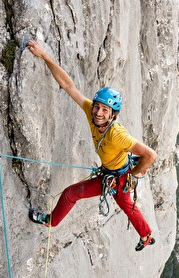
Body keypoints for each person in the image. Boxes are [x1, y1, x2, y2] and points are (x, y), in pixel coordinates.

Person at [26, 40, 157, 251]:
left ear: (112, 114)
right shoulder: (90, 111)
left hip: (119, 177)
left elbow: (150, 155)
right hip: (110, 174)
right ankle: (147, 235)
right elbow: (68, 85)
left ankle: (51, 221)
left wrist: (132, 176)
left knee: (75, 194)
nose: (98, 112)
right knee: (126, 206)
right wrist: (45, 57)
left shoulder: (117, 134)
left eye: (105, 110)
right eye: (97, 107)